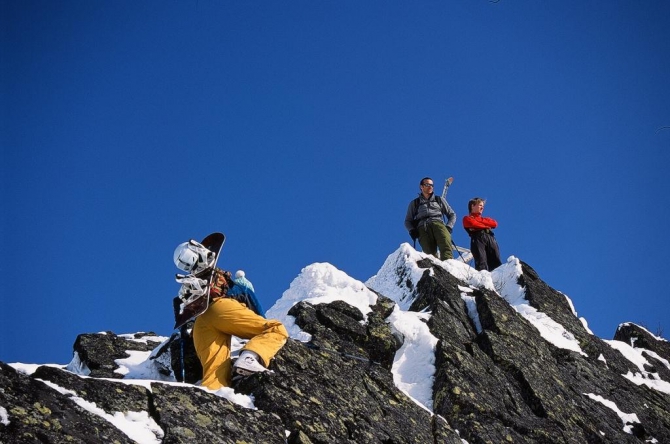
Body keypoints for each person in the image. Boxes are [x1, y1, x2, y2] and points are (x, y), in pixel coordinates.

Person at [174, 241, 288, 390]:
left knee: (215, 374)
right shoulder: (225, 281)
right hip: (220, 309)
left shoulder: (193, 287)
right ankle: (249, 358)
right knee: (276, 329)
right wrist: (262, 324)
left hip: (200, 323)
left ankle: (214, 401)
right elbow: (248, 298)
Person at [404, 177, 457, 260]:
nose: (430, 187)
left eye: (432, 185)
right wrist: (412, 230)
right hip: (423, 228)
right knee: (429, 254)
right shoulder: (415, 203)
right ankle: (433, 271)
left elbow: (452, 214)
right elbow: (408, 221)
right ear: (421, 187)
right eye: (427, 184)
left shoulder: (439, 200)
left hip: (438, 224)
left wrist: (449, 227)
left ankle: (448, 266)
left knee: (446, 245)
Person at [462, 197, 502, 271]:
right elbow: (472, 223)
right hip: (478, 237)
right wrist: (486, 226)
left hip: (490, 238)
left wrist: (480, 224)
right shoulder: (467, 218)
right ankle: (483, 280)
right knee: (481, 261)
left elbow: (494, 224)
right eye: (480, 205)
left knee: (496, 261)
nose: (482, 207)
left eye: (482, 206)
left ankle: (498, 280)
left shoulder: (486, 218)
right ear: (472, 206)